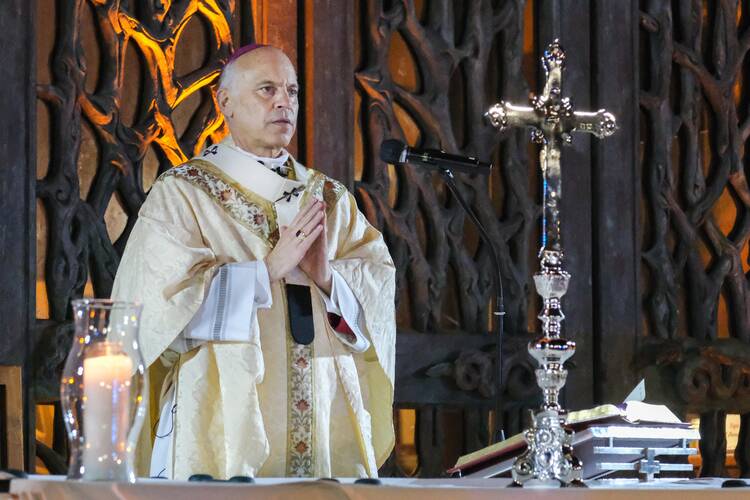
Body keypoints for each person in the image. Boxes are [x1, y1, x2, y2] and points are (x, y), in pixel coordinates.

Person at [111, 44, 396, 480]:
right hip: (223, 415)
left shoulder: (331, 198)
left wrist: (325, 277)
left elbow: (376, 297)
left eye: (292, 91)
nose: (284, 102)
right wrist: (265, 272)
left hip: (325, 411)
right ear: (224, 103)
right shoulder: (184, 193)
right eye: (267, 89)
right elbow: (155, 313)